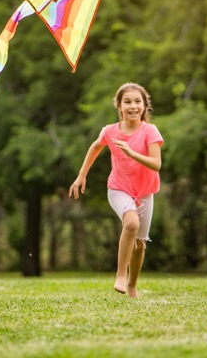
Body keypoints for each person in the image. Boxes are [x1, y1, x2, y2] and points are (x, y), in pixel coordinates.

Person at [69, 83, 164, 298]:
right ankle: (120, 275)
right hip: (118, 188)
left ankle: (132, 285)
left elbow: (156, 164)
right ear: (119, 106)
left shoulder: (150, 131)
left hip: (145, 191)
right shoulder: (111, 131)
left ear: (144, 105)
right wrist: (82, 175)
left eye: (137, 101)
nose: (133, 106)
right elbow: (96, 146)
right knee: (131, 223)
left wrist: (131, 153)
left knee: (139, 244)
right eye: (127, 102)